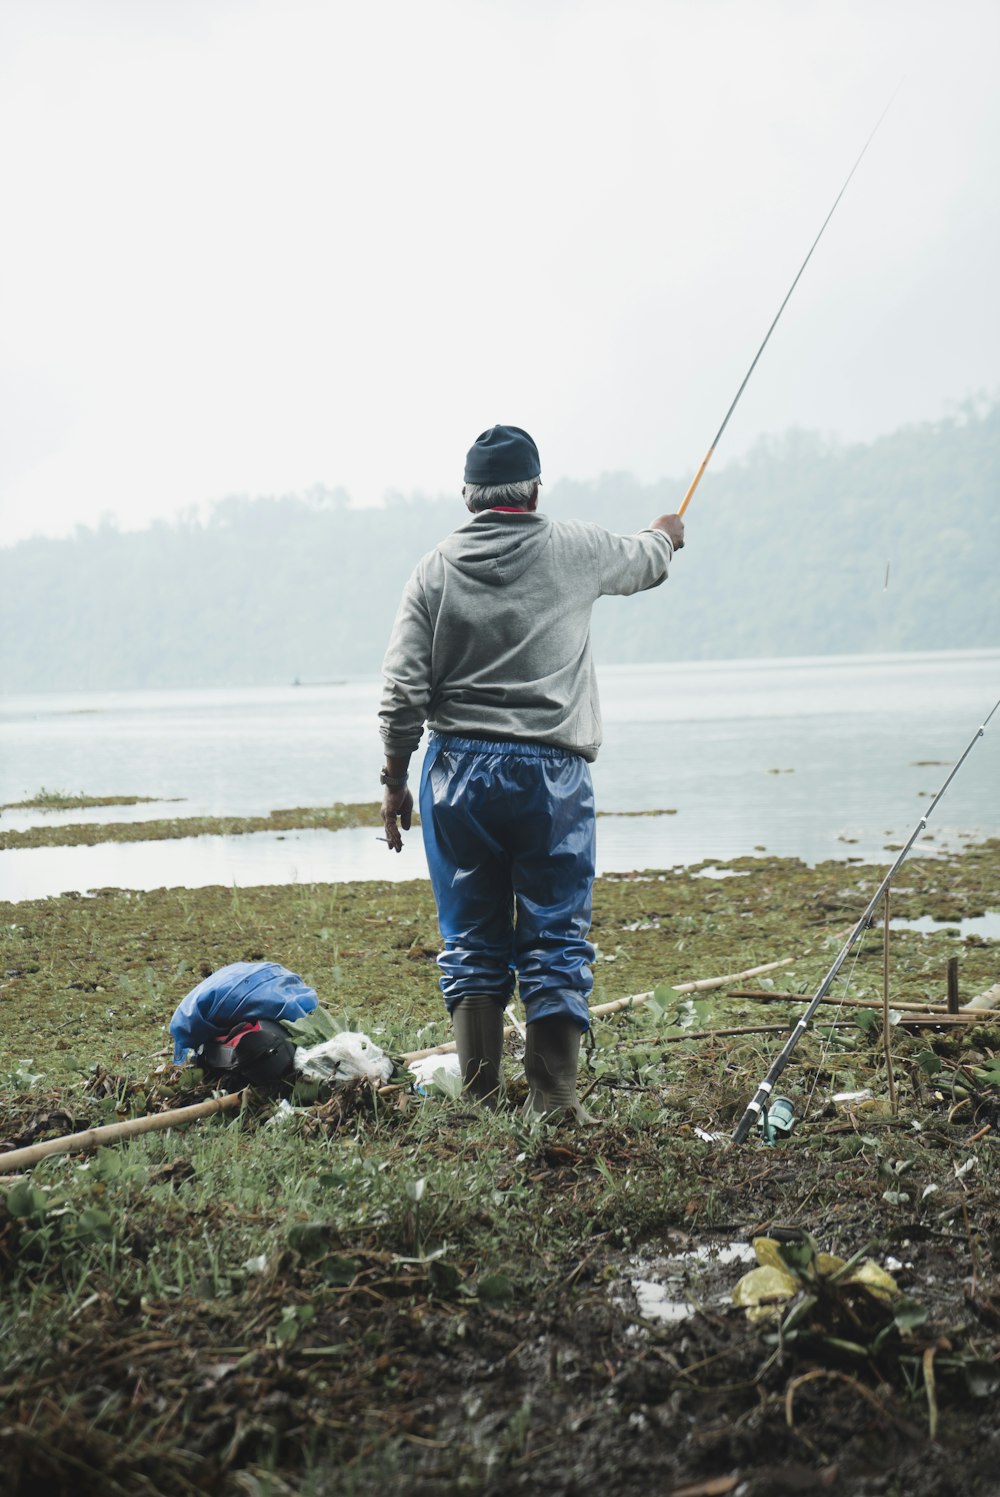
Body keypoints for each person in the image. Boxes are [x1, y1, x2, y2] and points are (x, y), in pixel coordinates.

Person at [378, 425, 684, 1117]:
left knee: (471, 935)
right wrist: (667, 533)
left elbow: (401, 693)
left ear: (467, 496)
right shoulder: (575, 547)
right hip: (554, 778)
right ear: (536, 489)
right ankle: (553, 1100)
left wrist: (396, 782)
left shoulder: (434, 569)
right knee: (555, 934)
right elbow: (646, 561)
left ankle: (483, 1098)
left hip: (457, 775)